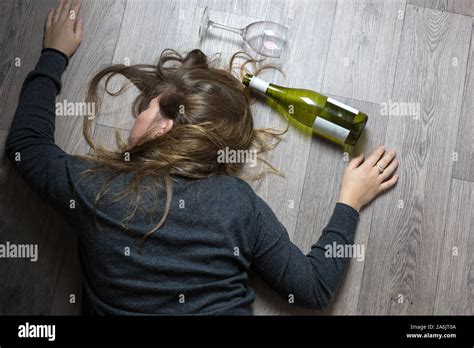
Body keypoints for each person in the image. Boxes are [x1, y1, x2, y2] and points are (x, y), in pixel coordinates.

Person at [5, 0, 399, 315]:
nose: (135, 115)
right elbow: (313, 288)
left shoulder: (98, 189)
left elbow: (26, 144)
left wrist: (54, 54)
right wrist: (350, 201)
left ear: (165, 127)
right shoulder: (235, 205)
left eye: (144, 106)